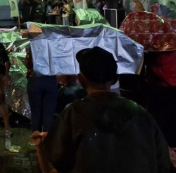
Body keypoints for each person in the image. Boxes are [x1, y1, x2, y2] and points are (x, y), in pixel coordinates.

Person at [31, 47, 171, 173]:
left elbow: (54, 167)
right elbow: (163, 162)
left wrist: (40, 148)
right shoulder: (142, 115)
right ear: (115, 78)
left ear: (81, 79)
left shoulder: (73, 115)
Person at [25, 47, 58, 133]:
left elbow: (28, 63)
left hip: (35, 79)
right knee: (49, 116)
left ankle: (37, 143)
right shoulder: (52, 45)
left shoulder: (33, 46)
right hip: (50, 79)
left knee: (36, 115)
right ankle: (48, 143)